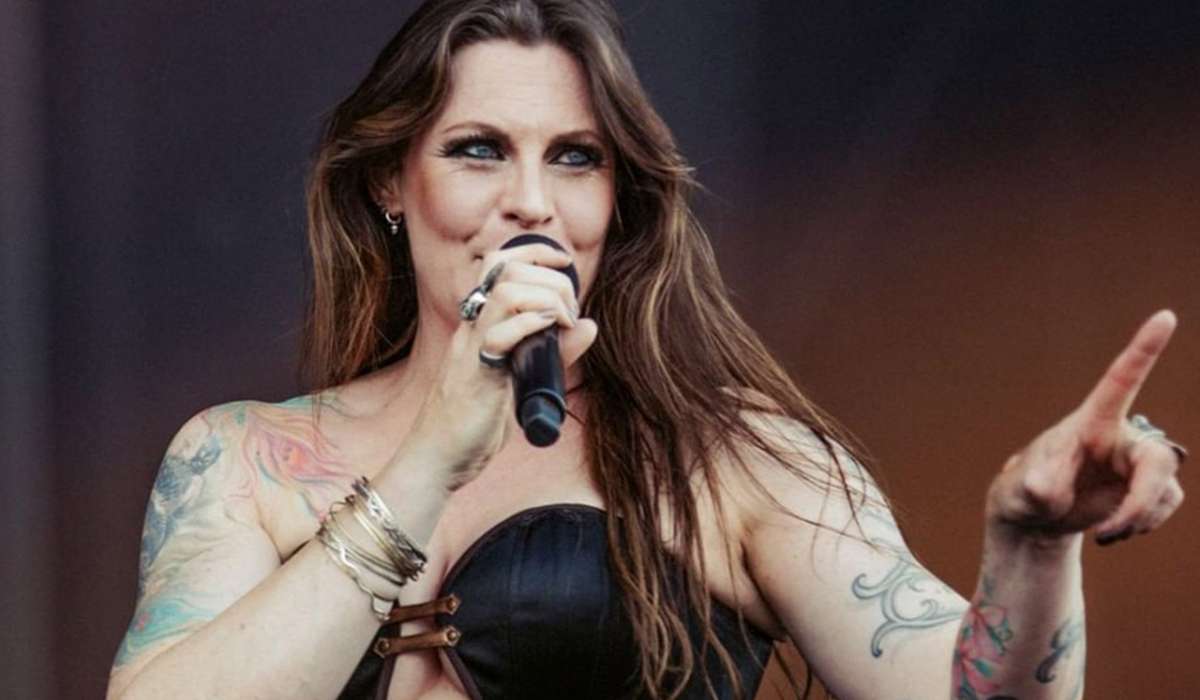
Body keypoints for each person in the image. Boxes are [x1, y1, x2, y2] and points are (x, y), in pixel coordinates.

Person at [106, 1, 1188, 699]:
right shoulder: (243, 459)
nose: (531, 202)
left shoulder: (732, 462)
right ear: (392, 180)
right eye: (479, 150)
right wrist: (429, 456)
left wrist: (1031, 544)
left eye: (575, 158)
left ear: (617, 200)